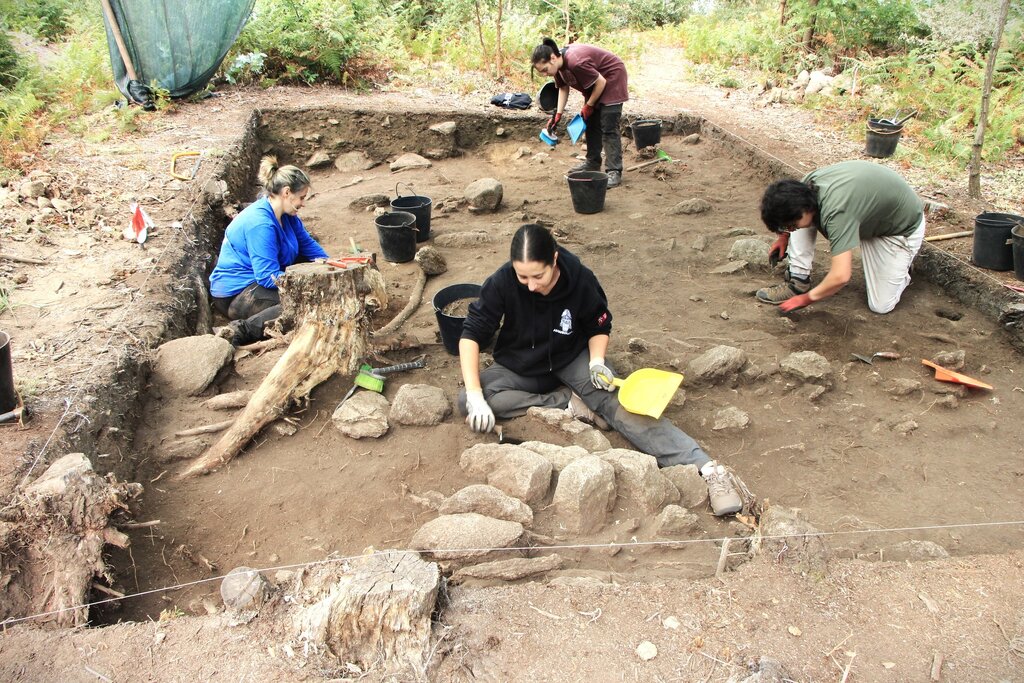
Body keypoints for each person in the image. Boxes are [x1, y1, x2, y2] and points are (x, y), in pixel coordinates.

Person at [457, 224, 743, 516]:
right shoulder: (502, 281)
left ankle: (708, 469)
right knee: (468, 399)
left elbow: (599, 325)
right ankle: (570, 403)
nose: (530, 285)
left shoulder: (579, 279)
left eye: (538, 276)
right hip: (521, 364)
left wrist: (596, 362)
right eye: (523, 276)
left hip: (572, 357)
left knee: (617, 403)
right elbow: (471, 335)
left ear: (554, 260)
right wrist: (476, 396)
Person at [756, 160, 925, 314]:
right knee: (803, 221)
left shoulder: (837, 213)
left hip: (898, 229)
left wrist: (807, 299)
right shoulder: (806, 187)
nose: (790, 229)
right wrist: (783, 237)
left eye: (789, 226)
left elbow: (841, 276)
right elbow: (794, 213)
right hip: (867, 214)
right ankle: (798, 281)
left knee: (880, 306)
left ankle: (903, 270)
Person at [209, 156, 328, 345]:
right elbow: (266, 275)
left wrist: (331, 267)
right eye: (302, 197)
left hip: (258, 281)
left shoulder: (288, 216)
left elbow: (309, 247)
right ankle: (239, 331)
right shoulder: (260, 224)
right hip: (237, 294)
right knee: (306, 302)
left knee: (317, 288)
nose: (303, 203)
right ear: (287, 192)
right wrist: (307, 284)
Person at [531, 38, 629, 189]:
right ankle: (592, 162)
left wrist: (589, 105)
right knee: (590, 123)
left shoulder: (576, 62)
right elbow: (563, 88)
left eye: (544, 70)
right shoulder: (558, 67)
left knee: (608, 126)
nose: (545, 74)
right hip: (597, 82)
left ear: (552, 58)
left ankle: (614, 171)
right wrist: (557, 115)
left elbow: (601, 82)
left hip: (612, 76)